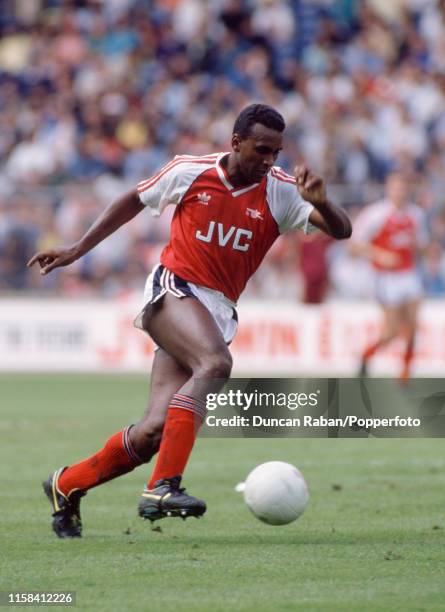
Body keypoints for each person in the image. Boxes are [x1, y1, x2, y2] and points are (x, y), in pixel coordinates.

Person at [27, 104, 352, 538]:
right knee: (215, 365)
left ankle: (65, 485)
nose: (270, 160)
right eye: (261, 150)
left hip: (215, 310)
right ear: (235, 143)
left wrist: (323, 202)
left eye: (276, 151)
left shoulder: (281, 191)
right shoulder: (190, 171)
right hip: (173, 289)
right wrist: (76, 250)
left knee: (153, 433)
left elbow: (343, 231)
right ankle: (162, 487)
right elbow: (133, 200)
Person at [351, 172, 428, 381]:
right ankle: (367, 355)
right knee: (393, 330)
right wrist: (379, 254)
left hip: (409, 274)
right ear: (388, 189)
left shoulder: (416, 215)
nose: (399, 192)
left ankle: (405, 371)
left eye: (403, 188)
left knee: (412, 325)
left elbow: (420, 245)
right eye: (396, 187)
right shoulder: (375, 214)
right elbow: (354, 245)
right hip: (385, 277)